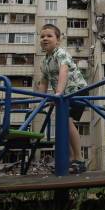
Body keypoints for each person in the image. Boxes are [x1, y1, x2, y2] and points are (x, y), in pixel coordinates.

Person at [37, 24, 88, 173]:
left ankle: (79, 159)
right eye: (42, 36)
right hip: (64, 96)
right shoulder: (44, 61)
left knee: (66, 121)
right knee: (63, 124)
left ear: (58, 40)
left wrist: (58, 93)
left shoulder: (60, 53)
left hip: (77, 90)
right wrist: (42, 100)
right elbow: (44, 81)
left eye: (49, 36)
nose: (45, 39)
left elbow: (63, 71)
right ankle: (71, 158)